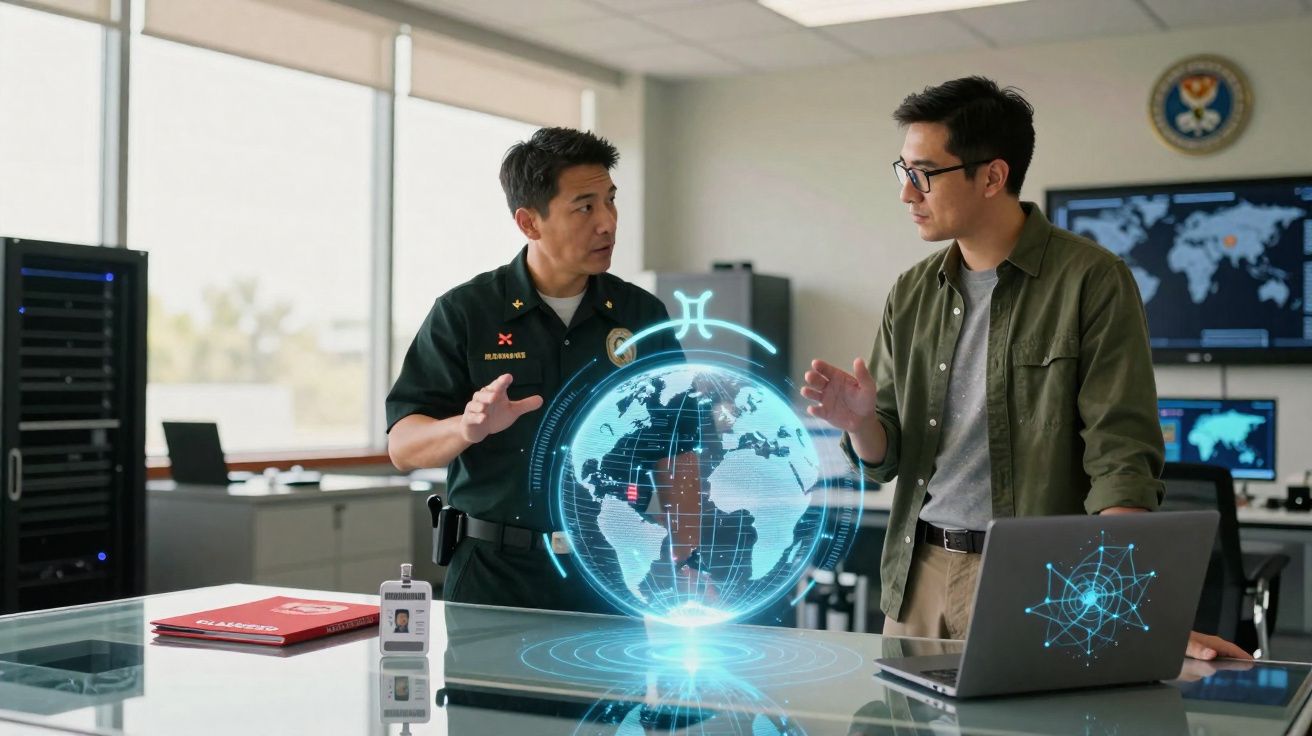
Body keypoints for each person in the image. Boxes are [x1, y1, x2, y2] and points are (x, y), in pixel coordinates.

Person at [800, 76, 1247, 661]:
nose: (907, 194)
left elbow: (1121, 458)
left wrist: (1127, 601)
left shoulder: (1091, 279)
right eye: (902, 172)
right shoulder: (912, 293)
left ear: (992, 175)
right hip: (919, 577)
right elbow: (889, 460)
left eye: (924, 175)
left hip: (1041, 582)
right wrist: (860, 422)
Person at [386, 127, 684, 613]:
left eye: (611, 201)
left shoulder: (642, 316)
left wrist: (688, 553)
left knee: (605, 694)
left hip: (610, 569)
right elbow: (402, 447)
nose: (607, 223)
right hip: (494, 574)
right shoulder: (467, 312)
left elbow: (679, 449)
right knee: (483, 694)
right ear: (529, 223)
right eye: (585, 207)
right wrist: (467, 427)